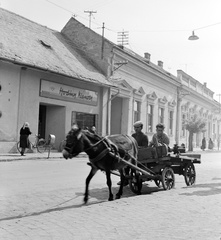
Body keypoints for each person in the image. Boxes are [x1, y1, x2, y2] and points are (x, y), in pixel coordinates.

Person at [118, 121, 148, 186]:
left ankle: (133, 178)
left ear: (141, 128)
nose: (136, 129)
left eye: (137, 127)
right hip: (132, 154)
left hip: (140, 155)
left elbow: (145, 147)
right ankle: (125, 179)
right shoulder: (133, 136)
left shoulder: (144, 136)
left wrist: (136, 147)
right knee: (125, 164)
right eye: (135, 127)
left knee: (132, 164)